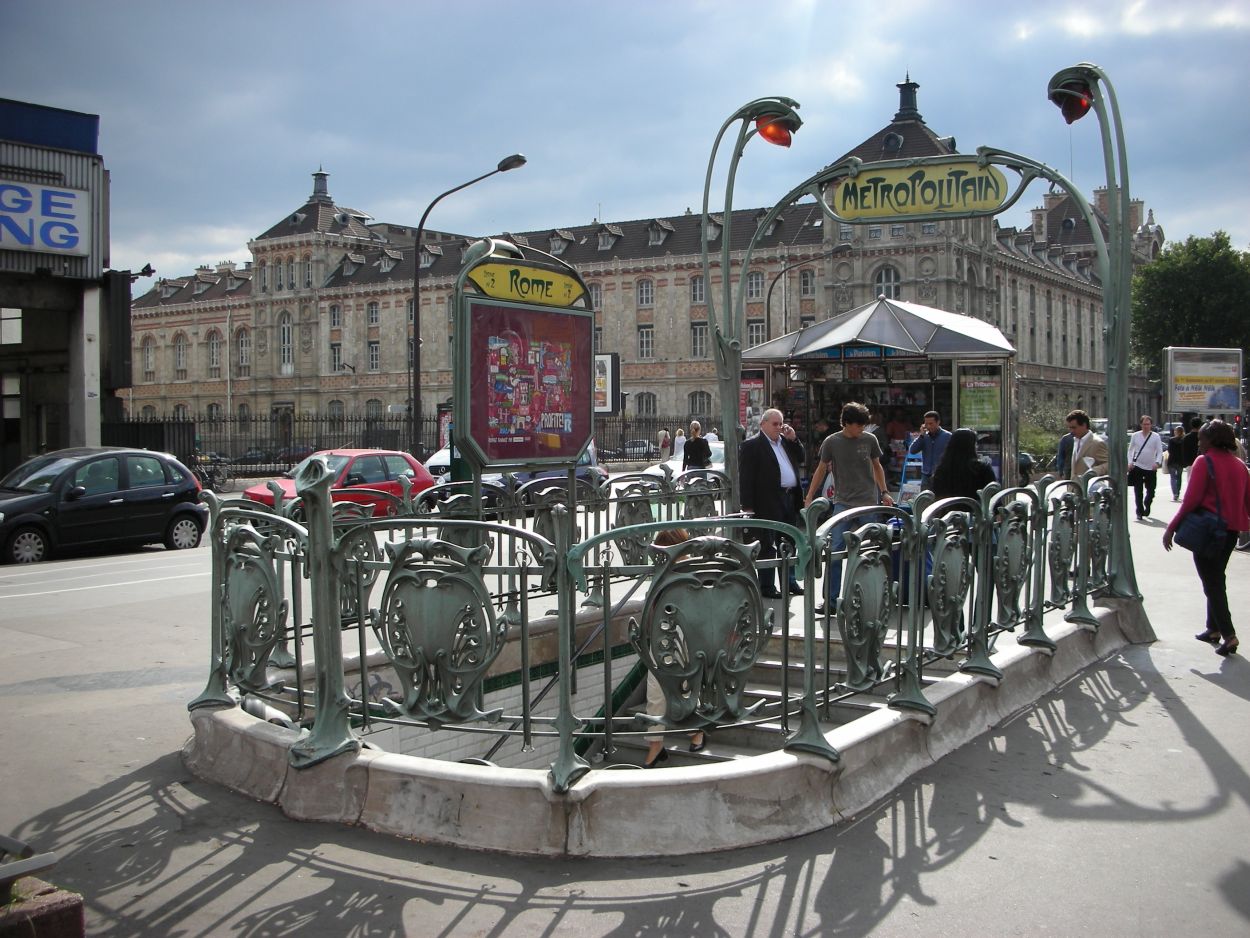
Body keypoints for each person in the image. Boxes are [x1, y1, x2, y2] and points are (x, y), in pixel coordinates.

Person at [1163, 420, 1250, 658]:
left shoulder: (1204, 462)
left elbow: (1190, 501)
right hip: (1231, 532)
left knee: (1212, 583)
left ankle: (1228, 634)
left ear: (1211, 440)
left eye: (1202, 439)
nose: (1199, 443)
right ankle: (1212, 629)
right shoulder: (1240, 466)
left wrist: (1171, 527)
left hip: (1209, 531)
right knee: (1216, 577)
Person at [804, 402, 893, 614]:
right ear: (846, 423)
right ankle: (831, 601)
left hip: (868, 501)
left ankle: (875, 597)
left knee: (872, 551)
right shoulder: (831, 442)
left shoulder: (869, 440)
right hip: (842, 502)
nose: (861, 429)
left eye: (863, 426)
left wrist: (885, 492)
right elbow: (821, 469)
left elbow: (877, 466)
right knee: (835, 551)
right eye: (858, 426)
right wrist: (809, 496)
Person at [641, 528, 707, 767]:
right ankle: (656, 744)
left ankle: (695, 729)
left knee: (683, 686)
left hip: (684, 635)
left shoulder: (692, 570)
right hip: (661, 634)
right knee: (656, 689)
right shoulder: (663, 570)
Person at [739, 408, 805, 598]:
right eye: (775, 424)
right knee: (767, 544)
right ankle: (767, 586)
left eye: (780, 423)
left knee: (790, 541)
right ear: (763, 424)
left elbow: (801, 458)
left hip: (789, 497)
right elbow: (746, 478)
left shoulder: (785, 442)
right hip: (766, 501)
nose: (779, 427)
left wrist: (793, 439)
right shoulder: (752, 445)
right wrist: (748, 506)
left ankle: (790, 582)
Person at [930, 428, 996, 502]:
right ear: (973, 445)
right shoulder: (982, 469)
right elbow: (993, 496)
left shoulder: (941, 470)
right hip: (976, 511)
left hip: (947, 511)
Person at [1127, 415, 1165, 519]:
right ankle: (1139, 511)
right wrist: (1130, 462)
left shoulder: (1155, 436)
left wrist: (1157, 463)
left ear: (1151, 425)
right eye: (1144, 424)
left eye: (1148, 424)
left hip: (1151, 468)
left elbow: (1159, 451)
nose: (1146, 426)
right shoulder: (1135, 435)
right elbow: (1130, 450)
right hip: (1138, 466)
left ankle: (1147, 504)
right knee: (1138, 491)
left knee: (1151, 491)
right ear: (1141, 425)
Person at [908, 410, 952, 490]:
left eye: (931, 423)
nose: (928, 426)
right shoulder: (924, 437)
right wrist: (921, 436)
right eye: (926, 424)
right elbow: (912, 450)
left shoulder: (948, 436)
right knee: (925, 500)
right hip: (926, 475)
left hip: (941, 474)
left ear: (938, 422)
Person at [1065, 409, 1109, 480]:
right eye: (1069, 428)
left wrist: (1094, 471)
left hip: (1089, 488)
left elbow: (1109, 464)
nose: (1071, 431)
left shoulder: (1097, 443)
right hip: (1075, 487)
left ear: (1084, 425)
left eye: (1074, 428)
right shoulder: (1074, 440)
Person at [1165, 424, 1186, 501]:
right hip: (1180, 461)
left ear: (1176, 432)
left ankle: (1175, 493)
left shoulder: (1171, 440)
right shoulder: (1184, 440)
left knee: (1173, 478)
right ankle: (1178, 492)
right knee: (1179, 477)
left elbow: (1169, 450)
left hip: (1172, 460)